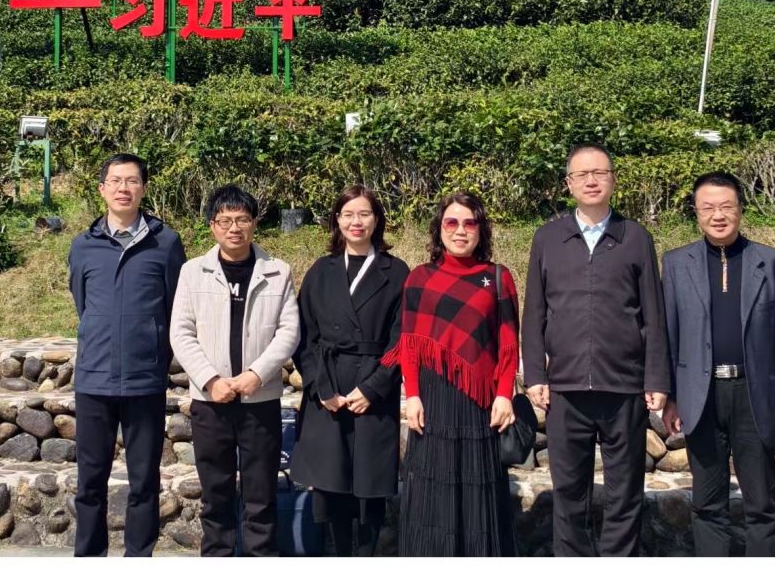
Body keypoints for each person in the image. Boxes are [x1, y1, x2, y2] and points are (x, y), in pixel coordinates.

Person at [522, 145, 669, 556]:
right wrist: (535, 374)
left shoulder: (635, 237)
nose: (591, 181)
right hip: (565, 387)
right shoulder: (548, 238)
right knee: (569, 492)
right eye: (582, 174)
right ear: (568, 183)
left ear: (613, 180)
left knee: (625, 492)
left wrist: (656, 378)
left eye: (600, 173)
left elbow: (653, 315)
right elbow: (534, 312)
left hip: (624, 386)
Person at [659, 171, 775, 557]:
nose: (717, 215)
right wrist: (671, 396)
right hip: (700, 394)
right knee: (707, 503)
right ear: (696, 212)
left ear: (740, 209)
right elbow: (668, 334)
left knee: (762, 503)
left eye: (726, 206)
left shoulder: (774, 264)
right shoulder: (676, 264)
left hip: (754, 394)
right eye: (708, 207)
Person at [381, 191, 520, 556]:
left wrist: (504, 394)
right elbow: (410, 344)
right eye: (452, 222)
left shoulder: (497, 277)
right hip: (433, 399)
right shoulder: (420, 278)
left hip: (480, 403)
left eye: (469, 223)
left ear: (481, 229)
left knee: (479, 494)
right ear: (439, 228)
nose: (460, 230)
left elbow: (508, 343)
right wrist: (412, 396)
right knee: (431, 492)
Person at [170, 185, 301, 557]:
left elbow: (289, 330)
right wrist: (211, 380)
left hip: (260, 400)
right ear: (212, 225)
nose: (234, 228)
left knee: (261, 494)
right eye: (224, 220)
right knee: (216, 495)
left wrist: (256, 374)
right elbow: (181, 331)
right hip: (210, 402)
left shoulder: (277, 271)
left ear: (254, 222)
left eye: (242, 219)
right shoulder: (193, 272)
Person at [69, 153, 188, 557]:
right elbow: (83, 303)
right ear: (102, 189)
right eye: (116, 181)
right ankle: (89, 556)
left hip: (144, 379)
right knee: (90, 482)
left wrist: (153, 349)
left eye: (132, 181)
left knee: (144, 482)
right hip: (94, 378)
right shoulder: (83, 245)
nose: (124, 188)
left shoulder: (165, 243)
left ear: (144, 189)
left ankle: (139, 556)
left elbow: (175, 308)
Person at [291, 185, 408, 557]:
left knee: (371, 489)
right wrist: (321, 388)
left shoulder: (397, 271)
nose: (356, 222)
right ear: (337, 221)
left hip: (373, 392)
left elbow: (403, 339)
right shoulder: (320, 271)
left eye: (364, 214)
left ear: (377, 220)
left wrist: (373, 388)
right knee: (332, 487)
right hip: (330, 391)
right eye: (348, 214)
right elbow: (303, 336)